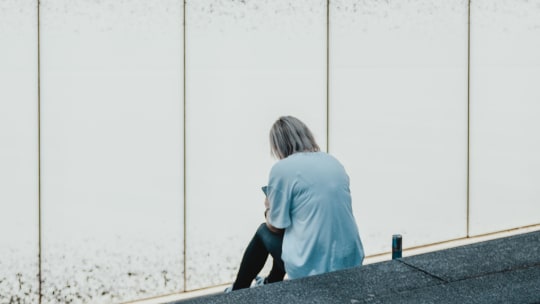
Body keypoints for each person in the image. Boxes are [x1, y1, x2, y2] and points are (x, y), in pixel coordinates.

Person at [228, 115, 364, 291]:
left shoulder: (282, 169)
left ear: (277, 145)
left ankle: (237, 291)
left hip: (314, 269)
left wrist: (269, 207)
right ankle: (271, 283)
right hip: (350, 261)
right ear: (307, 136)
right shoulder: (333, 161)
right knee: (292, 234)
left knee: (263, 231)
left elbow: (276, 226)